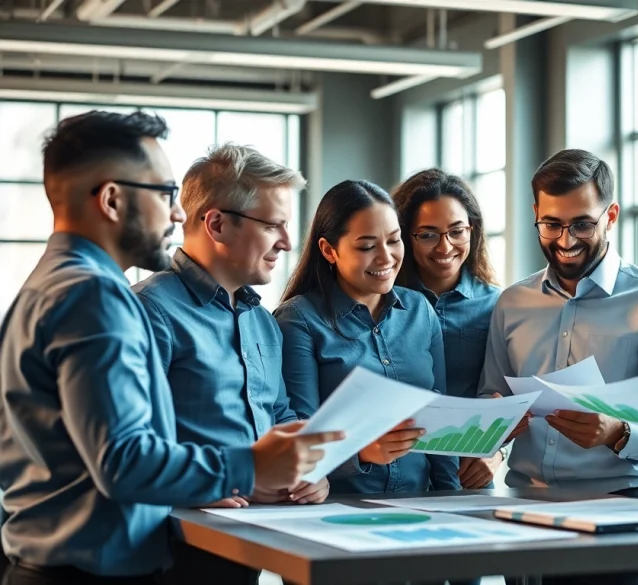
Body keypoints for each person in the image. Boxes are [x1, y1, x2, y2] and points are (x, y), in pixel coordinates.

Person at [0, 111, 342, 585]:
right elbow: (122, 460)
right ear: (113, 200)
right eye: (164, 194)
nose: (179, 212)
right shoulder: (94, 296)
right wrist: (248, 467)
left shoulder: (55, 285)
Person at [478, 149, 638, 585]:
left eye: (582, 224)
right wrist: (496, 424)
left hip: (619, 511)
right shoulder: (513, 303)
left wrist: (618, 433)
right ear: (536, 213)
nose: (566, 239)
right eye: (551, 224)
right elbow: (490, 393)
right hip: (524, 512)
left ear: (610, 215)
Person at [132, 144, 328, 585]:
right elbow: (128, 444)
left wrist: (311, 473)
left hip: (250, 544)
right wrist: (216, 482)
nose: (287, 241)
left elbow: (280, 415)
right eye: (273, 224)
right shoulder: (148, 311)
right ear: (217, 224)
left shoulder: (263, 322)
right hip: (171, 554)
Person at [275, 179, 461, 497]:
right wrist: (361, 452)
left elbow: (438, 413)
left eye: (394, 240)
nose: (386, 257)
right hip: (337, 506)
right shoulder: (300, 319)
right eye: (367, 246)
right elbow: (300, 434)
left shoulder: (420, 309)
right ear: (329, 250)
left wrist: (453, 497)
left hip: (419, 504)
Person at [393, 169, 503, 493]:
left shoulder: (497, 305)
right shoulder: (382, 304)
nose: (445, 247)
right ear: (403, 235)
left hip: (467, 477)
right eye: (427, 234)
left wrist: (497, 452)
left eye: (457, 231)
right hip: (394, 476)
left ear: (473, 230)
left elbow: (510, 397)